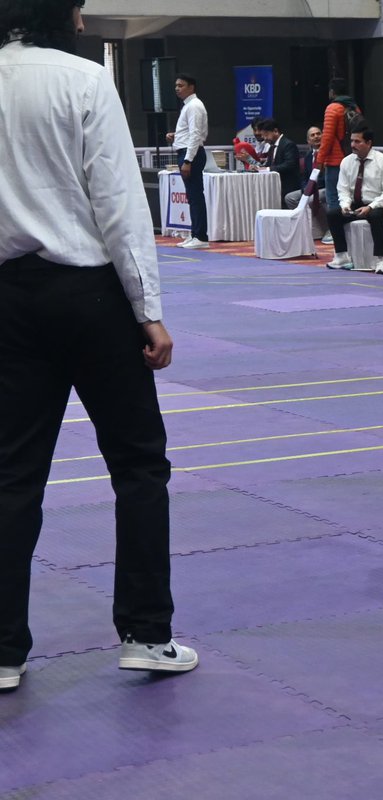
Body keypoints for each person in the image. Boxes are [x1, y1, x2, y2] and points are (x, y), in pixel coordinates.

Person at [0, 0, 199, 692]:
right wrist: (149, 311)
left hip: (10, 299)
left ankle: (1, 650)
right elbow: (117, 202)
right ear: (66, 15)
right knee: (140, 465)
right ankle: (147, 632)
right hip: (89, 296)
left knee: (10, 476)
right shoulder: (82, 82)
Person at [326, 121, 383, 275]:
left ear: (368, 143)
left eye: (357, 141)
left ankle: (380, 260)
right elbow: (343, 189)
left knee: (375, 216)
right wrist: (345, 205)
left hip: (379, 205)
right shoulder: (346, 161)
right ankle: (341, 255)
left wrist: (370, 206)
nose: (353, 144)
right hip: (355, 204)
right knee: (332, 214)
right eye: (351, 140)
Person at [166, 72, 209, 249]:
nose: (177, 88)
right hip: (186, 151)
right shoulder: (188, 106)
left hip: (192, 154)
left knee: (196, 196)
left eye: (181, 85)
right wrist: (176, 136)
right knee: (192, 197)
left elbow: (196, 135)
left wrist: (188, 160)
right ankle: (195, 234)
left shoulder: (194, 106)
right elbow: (189, 132)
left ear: (191, 87)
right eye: (176, 85)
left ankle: (201, 236)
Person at [315, 77, 360, 214]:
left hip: (335, 161)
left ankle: (335, 231)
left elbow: (327, 138)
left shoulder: (332, 108)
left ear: (332, 92)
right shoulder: (355, 107)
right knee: (349, 197)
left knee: (333, 198)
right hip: (352, 159)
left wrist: (320, 160)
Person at [286, 125, 330, 241]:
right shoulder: (308, 156)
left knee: (311, 199)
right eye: (313, 135)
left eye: (318, 134)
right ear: (308, 141)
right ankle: (305, 227)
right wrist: (306, 188)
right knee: (290, 198)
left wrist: (312, 188)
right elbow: (304, 177)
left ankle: (328, 229)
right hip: (311, 187)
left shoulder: (329, 154)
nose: (316, 137)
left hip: (326, 187)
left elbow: (328, 177)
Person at [251, 118, 301, 205]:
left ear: (275, 131)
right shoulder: (272, 147)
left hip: (288, 187)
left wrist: (267, 169)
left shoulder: (288, 144)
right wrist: (259, 168)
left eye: (266, 135)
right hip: (276, 187)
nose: (264, 138)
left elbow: (289, 165)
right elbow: (268, 165)